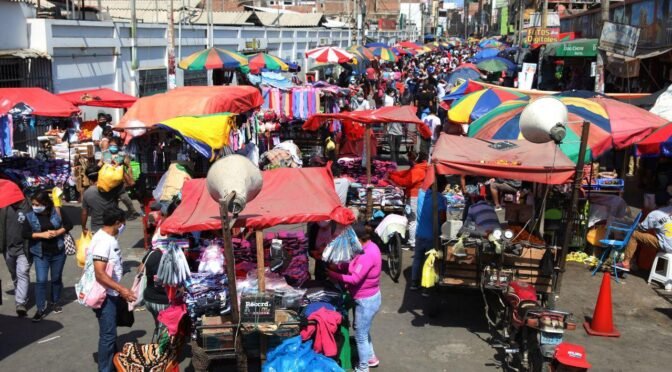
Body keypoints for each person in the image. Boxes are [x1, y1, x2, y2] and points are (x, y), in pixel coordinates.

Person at [327, 222, 382, 372]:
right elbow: (352, 266)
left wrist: (333, 274)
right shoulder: (363, 249)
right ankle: (371, 358)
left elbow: (354, 279)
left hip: (367, 301)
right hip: (365, 298)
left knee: (360, 335)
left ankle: (363, 367)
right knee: (363, 330)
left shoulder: (369, 253)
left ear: (358, 238)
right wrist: (338, 267)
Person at [91, 207, 137, 372]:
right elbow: (99, 274)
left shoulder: (107, 237)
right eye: (122, 223)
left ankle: (115, 363)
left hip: (110, 292)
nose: (123, 226)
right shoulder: (104, 242)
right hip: (105, 295)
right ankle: (106, 369)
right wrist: (122, 290)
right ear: (117, 223)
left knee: (110, 332)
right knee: (108, 335)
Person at [23, 190, 73, 321]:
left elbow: (69, 225)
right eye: (33, 204)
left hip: (58, 252)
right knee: (41, 280)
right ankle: (40, 309)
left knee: (56, 278)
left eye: (37, 204)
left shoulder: (57, 211)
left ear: (45, 203)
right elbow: (25, 233)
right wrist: (41, 235)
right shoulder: (29, 216)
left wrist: (57, 232)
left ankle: (55, 301)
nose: (35, 207)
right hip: (40, 254)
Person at [621, 192, 672, 270]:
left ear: (655, 202)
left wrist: (634, 224)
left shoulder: (654, 214)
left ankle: (626, 262)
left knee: (634, 234)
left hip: (667, 246)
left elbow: (642, 228)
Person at [1, 194, 31, 317]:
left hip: (23, 249)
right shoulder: (4, 206)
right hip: (8, 248)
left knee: (22, 273)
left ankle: (20, 303)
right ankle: (20, 292)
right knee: (14, 274)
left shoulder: (29, 206)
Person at [82, 165, 122, 234]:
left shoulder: (87, 193)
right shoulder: (111, 188)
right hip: (112, 226)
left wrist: (83, 227)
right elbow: (131, 183)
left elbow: (84, 213)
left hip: (96, 228)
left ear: (89, 178)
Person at [140, 246, 169, 340]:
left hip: (149, 299)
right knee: (165, 330)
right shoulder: (173, 257)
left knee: (159, 324)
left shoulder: (151, 253)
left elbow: (140, 270)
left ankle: (159, 341)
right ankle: (160, 351)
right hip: (164, 301)